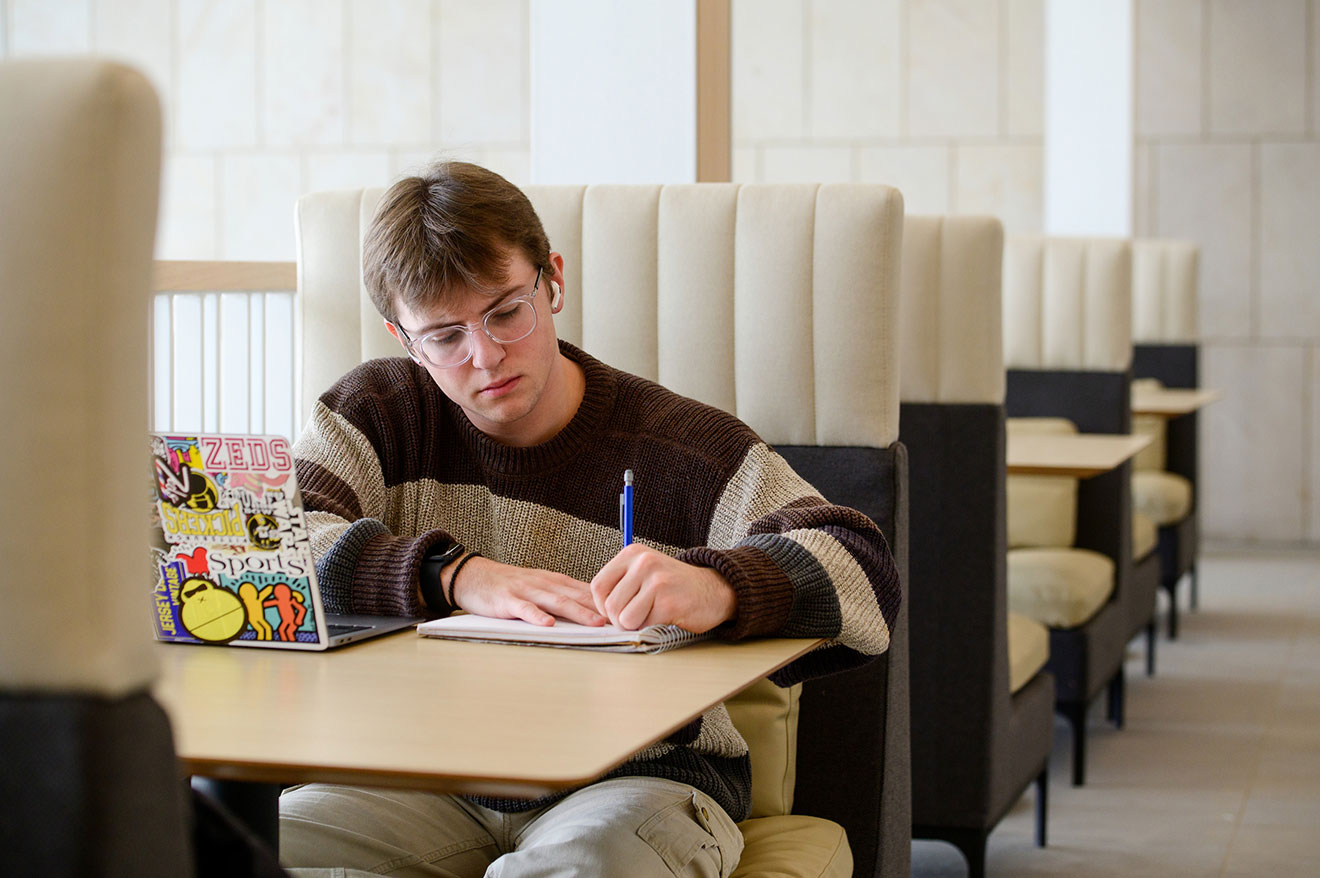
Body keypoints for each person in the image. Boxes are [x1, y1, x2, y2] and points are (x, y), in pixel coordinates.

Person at [280, 161, 901, 878]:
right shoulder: (375, 415)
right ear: (403, 339)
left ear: (554, 282)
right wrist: (452, 575)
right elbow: (280, 548)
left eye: (507, 311)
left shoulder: (685, 448)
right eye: (444, 337)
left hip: (634, 788)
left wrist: (720, 586)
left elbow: (863, 568)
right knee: (251, 843)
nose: (484, 356)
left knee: (586, 862)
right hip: (422, 780)